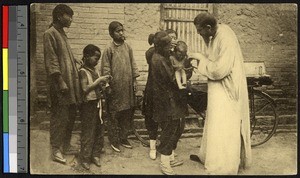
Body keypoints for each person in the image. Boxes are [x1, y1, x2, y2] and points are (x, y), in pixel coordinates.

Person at [189, 12, 252, 175]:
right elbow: (213, 56)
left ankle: (223, 165)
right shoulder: (214, 34)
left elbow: (219, 70)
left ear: (208, 27)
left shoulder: (226, 37)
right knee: (215, 123)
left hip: (227, 89)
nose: (198, 34)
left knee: (224, 125)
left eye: (200, 30)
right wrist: (204, 52)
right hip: (218, 89)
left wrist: (201, 60)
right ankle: (211, 157)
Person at [43, 4, 82, 164]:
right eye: (69, 16)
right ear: (60, 16)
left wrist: (74, 60)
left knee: (71, 115)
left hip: (70, 84)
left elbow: (64, 54)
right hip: (60, 85)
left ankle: (65, 145)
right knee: (59, 117)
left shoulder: (62, 34)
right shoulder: (50, 33)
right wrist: (60, 81)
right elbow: (52, 60)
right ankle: (56, 150)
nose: (71, 19)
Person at [151, 31, 188, 175]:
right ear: (160, 46)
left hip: (167, 98)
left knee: (174, 127)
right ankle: (165, 164)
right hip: (165, 100)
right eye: (168, 45)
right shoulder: (159, 60)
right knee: (169, 130)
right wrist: (185, 75)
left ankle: (170, 158)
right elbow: (172, 79)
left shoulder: (160, 56)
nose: (170, 48)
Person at [101, 21, 140, 152]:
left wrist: (135, 82)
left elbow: (133, 65)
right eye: (118, 31)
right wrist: (107, 86)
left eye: (122, 30)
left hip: (127, 88)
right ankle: (114, 140)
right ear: (111, 34)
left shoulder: (128, 47)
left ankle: (123, 137)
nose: (121, 33)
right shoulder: (108, 49)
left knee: (127, 113)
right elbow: (105, 69)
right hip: (115, 89)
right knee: (114, 115)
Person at [78, 44, 111, 170]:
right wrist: (99, 81)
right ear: (86, 56)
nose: (97, 61)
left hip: (98, 103)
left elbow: (98, 86)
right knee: (88, 131)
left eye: (98, 58)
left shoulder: (95, 71)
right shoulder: (82, 72)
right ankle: (85, 158)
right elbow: (85, 88)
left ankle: (95, 155)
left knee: (99, 129)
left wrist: (105, 84)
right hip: (88, 105)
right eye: (95, 58)